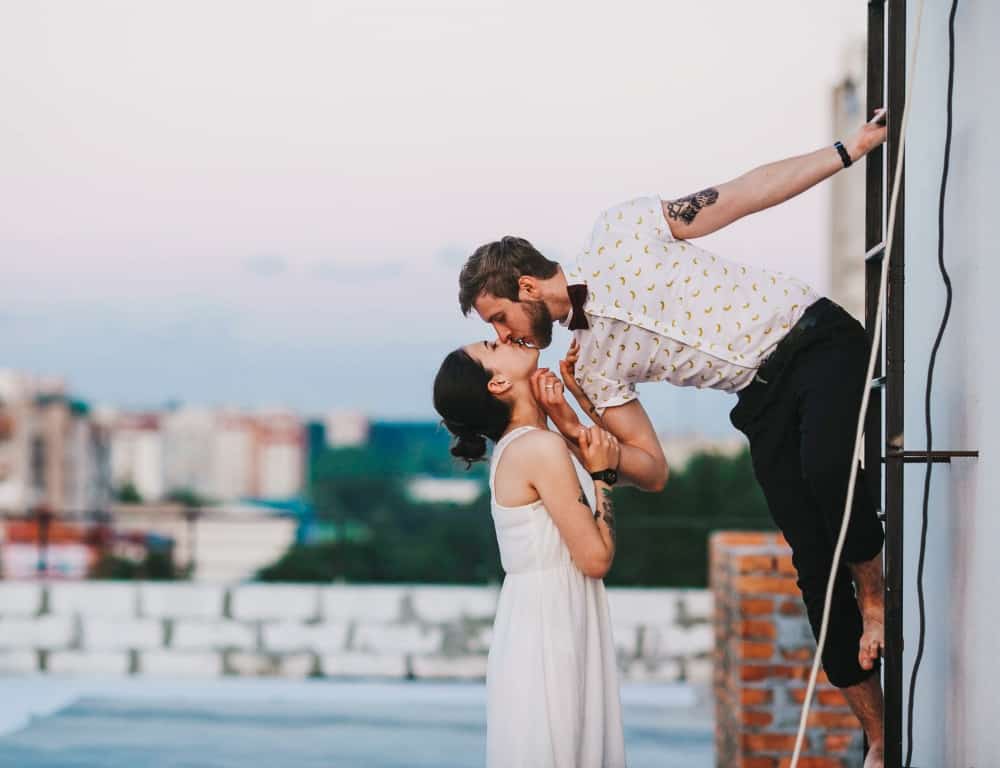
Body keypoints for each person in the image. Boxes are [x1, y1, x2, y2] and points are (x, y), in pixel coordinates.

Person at [457, 110, 889, 768]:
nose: (511, 338)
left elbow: (741, 194)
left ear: (524, 287)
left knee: (828, 467)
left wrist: (846, 150)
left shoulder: (622, 229)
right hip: (761, 399)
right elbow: (651, 468)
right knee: (808, 563)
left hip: (816, 338)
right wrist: (580, 428)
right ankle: (880, 735)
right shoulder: (591, 368)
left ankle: (875, 592)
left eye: (501, 321)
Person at [433, 339, 626, 768]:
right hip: (551, 627)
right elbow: (596, 559)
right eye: (491, 344)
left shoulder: (531, 443)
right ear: (498, 382)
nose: (503, 337)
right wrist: (604, 478)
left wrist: (565, 410)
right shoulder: (537, 448)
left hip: (543, 615)